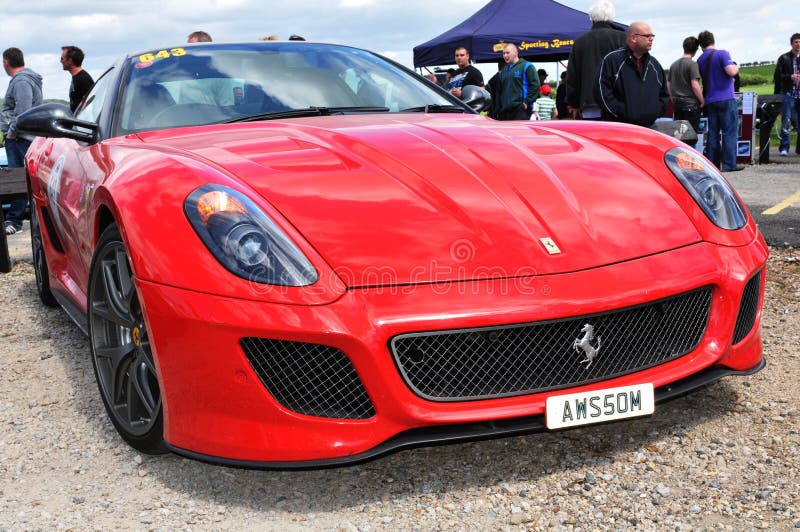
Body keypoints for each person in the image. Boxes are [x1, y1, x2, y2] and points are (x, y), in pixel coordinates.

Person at [1, 47, 42, 235]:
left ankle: (14, 221)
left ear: (6, 62)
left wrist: (11, 133)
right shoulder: (25, 79)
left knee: (17, 181)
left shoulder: (22, 81)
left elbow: (23, 110)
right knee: (23, 180)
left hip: (19, 138)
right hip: (21, 137)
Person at [594, 22, 669, 127]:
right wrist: (623, 113)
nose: (651, 39)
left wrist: (655, 112)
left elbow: (664, 94)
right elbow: (601, 93)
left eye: (652, 36)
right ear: (633, 38)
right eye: (647, 36)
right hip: (620, 127)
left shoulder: (654, 65)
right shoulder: (611, 61)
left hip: (650, 127)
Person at [565, 0, 626, 119]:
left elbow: (572, 77)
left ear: (592, 19)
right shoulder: (623, 38)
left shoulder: (580, 42)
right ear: (611, 18)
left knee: (592, 137)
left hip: (589, 104)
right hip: (618, 103)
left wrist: (574, 104)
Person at [697, 30, 743, 171]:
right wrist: (734, 63)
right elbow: (732, 72)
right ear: (713, 40)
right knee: (729, 132)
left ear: (701, 45)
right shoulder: (722, 53)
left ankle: (713, 165)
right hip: (726, 98)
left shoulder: (700, 60)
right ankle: (729, 164)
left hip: (710, 99)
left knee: (713, 134)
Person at [667, 36, 704, 145]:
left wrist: (673, 99)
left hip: (677, 104)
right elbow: (695, 85)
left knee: (679, 137)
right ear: (696, 50)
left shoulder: (673, 65)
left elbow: (669, 85)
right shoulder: (692, 64)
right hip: (691, 105)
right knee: (691, 137)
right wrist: (702, 101)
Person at [493, 43, 539, 121]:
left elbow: (535, 85)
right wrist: (498, 110)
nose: (505, 56)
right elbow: (499, 93)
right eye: (503, 53)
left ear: (516, 53)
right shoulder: (503, 72)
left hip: (521, 110)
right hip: (504, 113)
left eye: (508, 53)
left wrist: (526, 103)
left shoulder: (527, 66)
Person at [773, 33, 800, 156]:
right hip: (788, 94)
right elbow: (777, 77)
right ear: (791, 43)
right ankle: (784, 147)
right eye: (796, 42)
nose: (798, 44)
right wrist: (790, 77)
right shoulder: (784, 58)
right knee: (786, 122)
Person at [60, 46, 94, 113]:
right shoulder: (77, 77)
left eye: (62, 58)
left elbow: (91, 103)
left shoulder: (83, 79)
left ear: (70, 61)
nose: (61, 61)